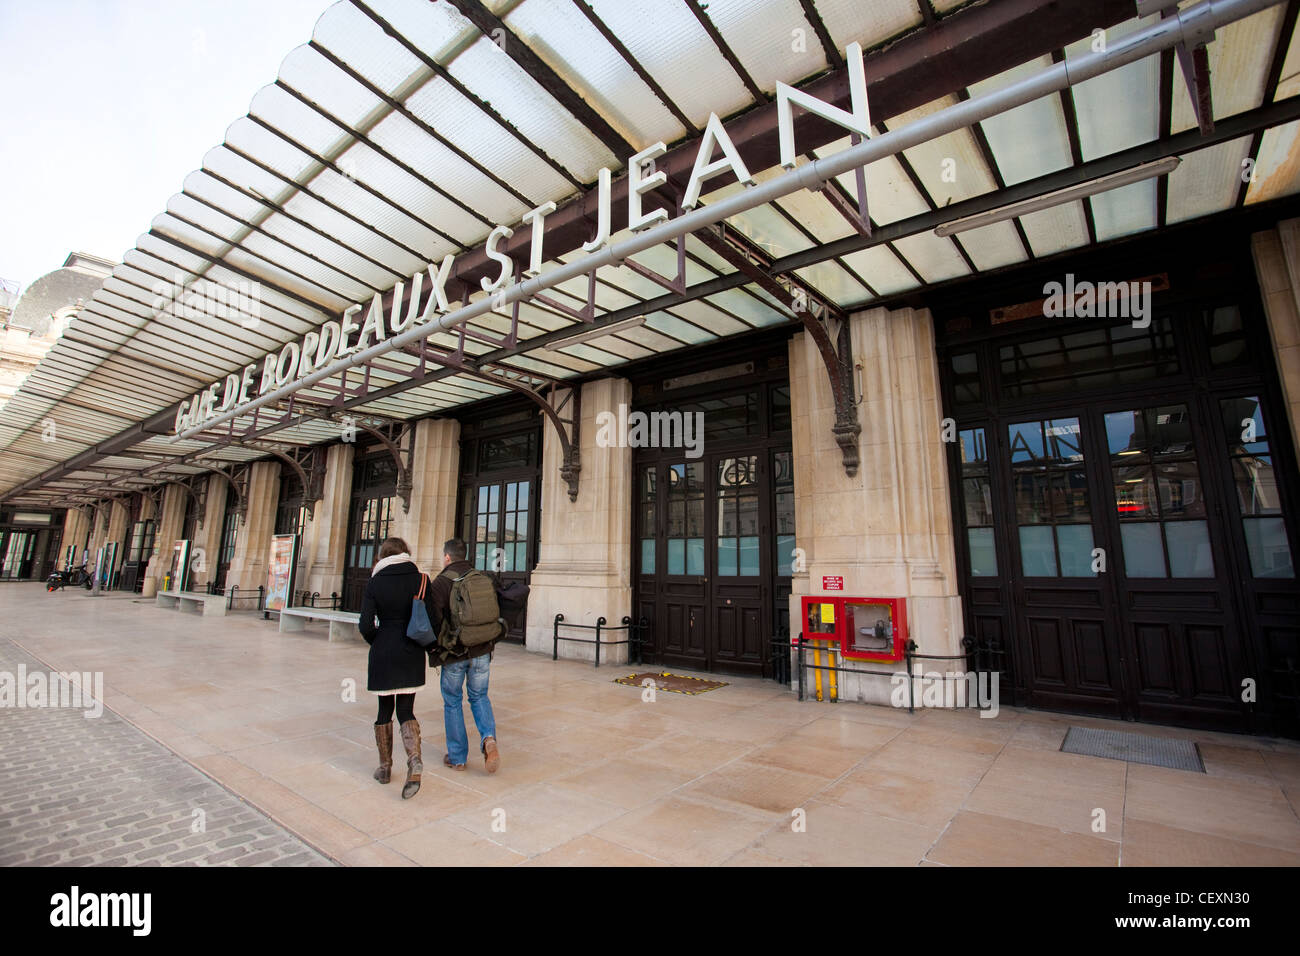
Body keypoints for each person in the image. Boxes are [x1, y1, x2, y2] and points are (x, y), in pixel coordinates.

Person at [358, 536, 431, 799]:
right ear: (406, 553)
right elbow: (431, 618)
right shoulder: (420, 579)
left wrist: (378, 640)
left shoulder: (376, 581)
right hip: (411, 650)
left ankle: (385, 767)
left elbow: (365, 625)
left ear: (383, 555)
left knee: (384, 709)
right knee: (406, 709)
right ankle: (414, 760)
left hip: (383, 651)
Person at [428, 537, 501, 773]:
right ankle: (488, 739)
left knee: (452, 701)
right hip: (482, 648)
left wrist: (436, 648)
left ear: (447, 557)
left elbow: (434, 620)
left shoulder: (440, 582)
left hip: (456, 652)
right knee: (480, 696)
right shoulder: (482, 577)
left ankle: (458, 757)